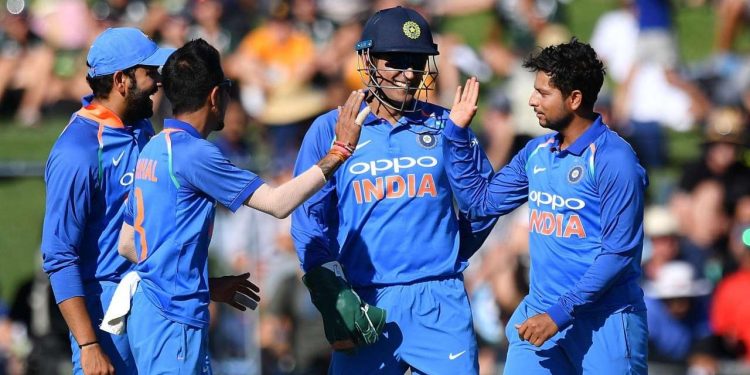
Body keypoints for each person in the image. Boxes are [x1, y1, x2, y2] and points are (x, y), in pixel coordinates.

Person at [112, 38, 369, 374]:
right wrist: (339, 152)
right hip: (175, 318)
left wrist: (203, 285)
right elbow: (278, 204)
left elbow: (129, 244)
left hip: (150, 313)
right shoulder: (196, 154)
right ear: (216, 96)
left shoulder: (154, 147)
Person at [291, 6, 497, 374]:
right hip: (364, 299)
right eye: (396, 61)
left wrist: (451, 249)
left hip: (440, 299)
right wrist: (328, 286)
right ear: (367, 59)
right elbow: (308, 216)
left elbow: (485, 201)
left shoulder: (447, 124)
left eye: (417, 61)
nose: (408, 73)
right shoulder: (330, 129)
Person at [443, 39, 650, 373]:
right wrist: (456, 134)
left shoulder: (615, 160)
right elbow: (481, 203)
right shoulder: (537, 152)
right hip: (540, 316)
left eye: (543, 93)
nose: (531, 100)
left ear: (574, 99)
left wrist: (559, 314)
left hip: (604, 322)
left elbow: (617, 255)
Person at [40, 27, 174, 375]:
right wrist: (88, 345)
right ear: (121, 81)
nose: (158, 82)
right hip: (105, 315)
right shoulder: (78, 150)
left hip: (153, 302)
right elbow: (58, 255)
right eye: (150, 73)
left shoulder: (142, 127)